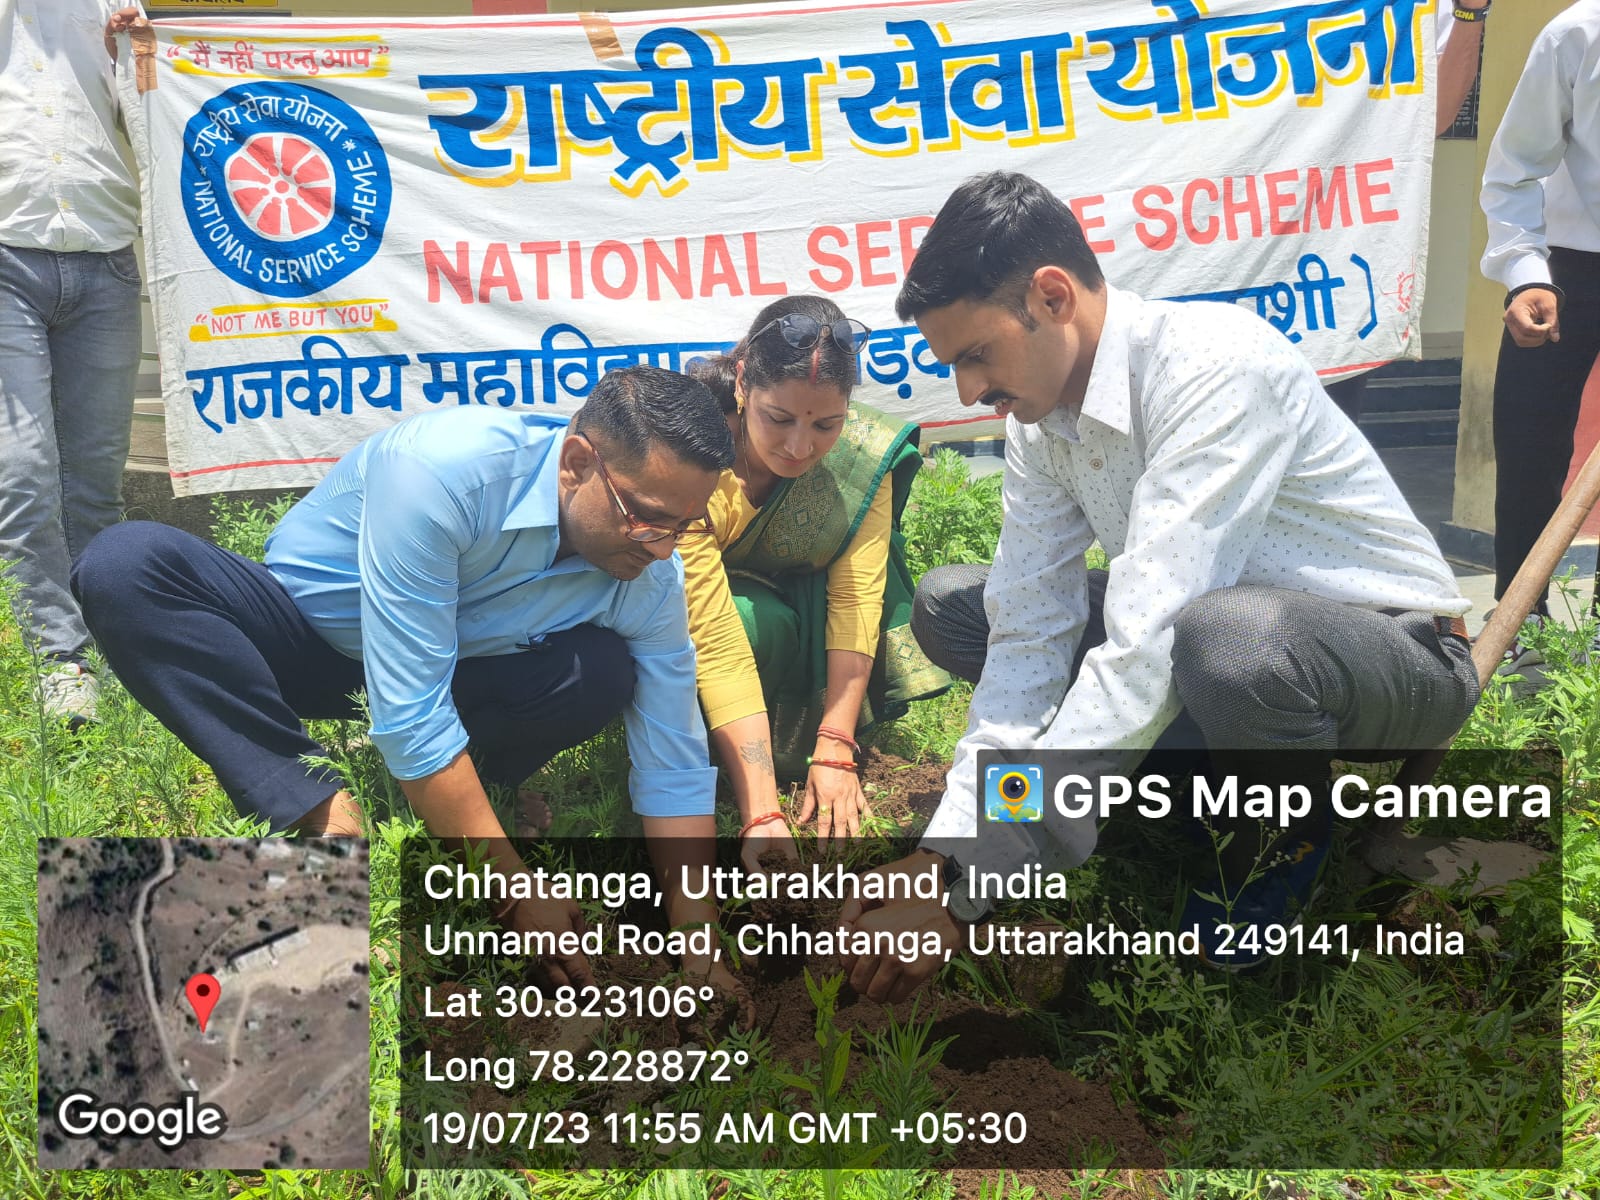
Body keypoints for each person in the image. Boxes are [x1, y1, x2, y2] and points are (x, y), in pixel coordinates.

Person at [839, 172, 1480, 1002]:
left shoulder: (1214, 367)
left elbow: (1148, 642)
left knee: (1227, 639)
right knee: (958, 607)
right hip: (1210, 642)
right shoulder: (1040, 423)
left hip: (1391, 654)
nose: (968, 391)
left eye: (975, 356)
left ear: (1052, 297)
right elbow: (1030, 632)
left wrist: (969, 892)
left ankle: (1282, 841)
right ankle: (1168, 787)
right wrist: (949, 848)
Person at [72, 366, 738, 995]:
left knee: (602, 670)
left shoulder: (650, 577)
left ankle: (473, 791)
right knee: (126, 565)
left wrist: (698, 936)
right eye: (645, 517)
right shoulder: (444, 471)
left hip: (459, 667)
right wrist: (513, 889)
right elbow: (410, 713)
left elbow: (673, 756)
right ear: (577, 464)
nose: (661, 547)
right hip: (313, 637)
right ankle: (321, 811)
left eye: (683, 526)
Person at [679, 296, 951, 853]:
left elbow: (855, 598)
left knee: (852, 571)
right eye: (777, 419)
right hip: (706, 617)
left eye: (826, 424)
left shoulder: (861, 454)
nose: (800, 447)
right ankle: (714, 753)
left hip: (806, 594)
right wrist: (761, 813)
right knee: (753, 622)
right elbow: (715, 636)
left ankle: (810, 731)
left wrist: (835, 745)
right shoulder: (692, 457)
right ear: (741, 382)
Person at [0, 1, 146, 724]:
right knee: (24, 473)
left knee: (95, 478)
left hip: (105, 252)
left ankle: (116, 646)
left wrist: (144, 52)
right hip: (6, 252)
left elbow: (153, 111)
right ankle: (59, 660)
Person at [1478, 0, 1600, 668]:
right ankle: (1520, 628)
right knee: (1529, 445)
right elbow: (1514, 168)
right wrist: (1526, 273)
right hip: (1566, 264)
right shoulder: (1579, 33)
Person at [1322, 0, 1492, 421]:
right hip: (1213, 234)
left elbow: (1435, 114)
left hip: (1336, 250)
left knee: (1327, 422)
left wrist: (1471, 12)